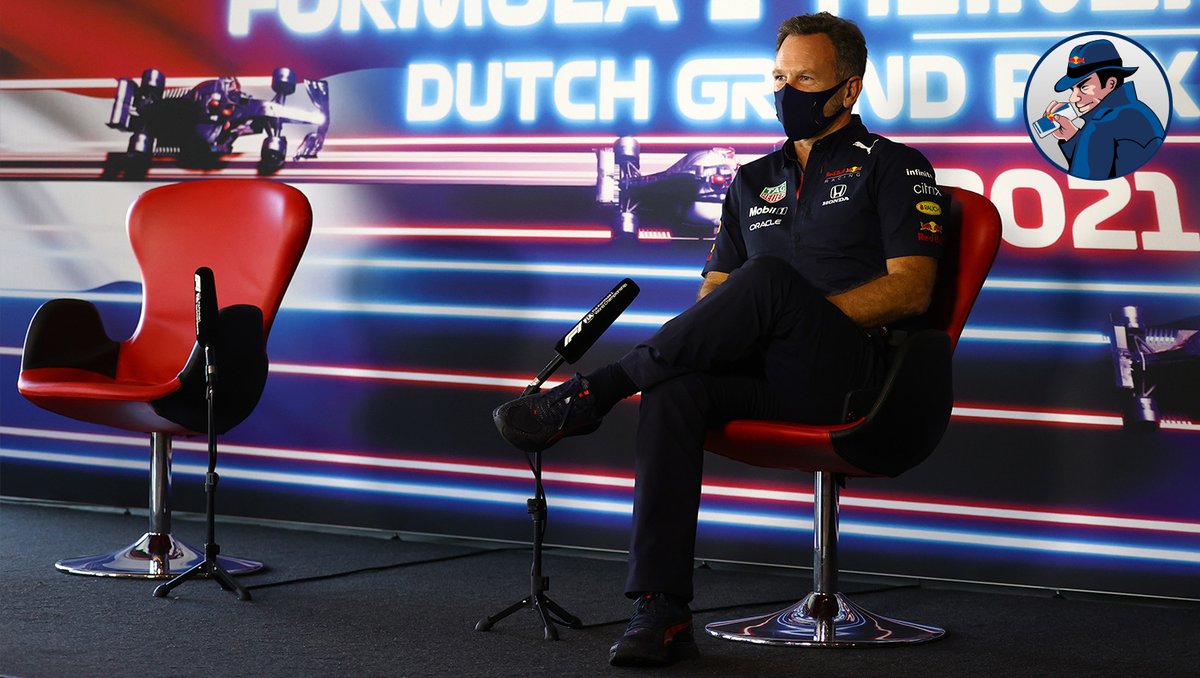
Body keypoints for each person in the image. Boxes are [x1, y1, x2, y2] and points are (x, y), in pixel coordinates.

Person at [494, 12, 947, 668]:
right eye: (779, 78)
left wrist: (789, 312)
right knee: (674, 387)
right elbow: (714, 296)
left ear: (849, 89)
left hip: (855, 378)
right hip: (769, 373)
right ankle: (661, 608)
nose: (787, 92)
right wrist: (759, 324)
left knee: (768, 281)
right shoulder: (751, 179)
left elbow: (912, 289)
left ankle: (598, 391)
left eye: (806, 80)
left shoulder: (896, 167)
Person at [1044, 38, 1165, 179]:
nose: (1073, 98)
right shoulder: (1137, 110)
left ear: (1110, 84)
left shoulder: (1102, 124)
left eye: (1084, 87)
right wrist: (1071, 136)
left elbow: (1083, 183)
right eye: (1073, 89)